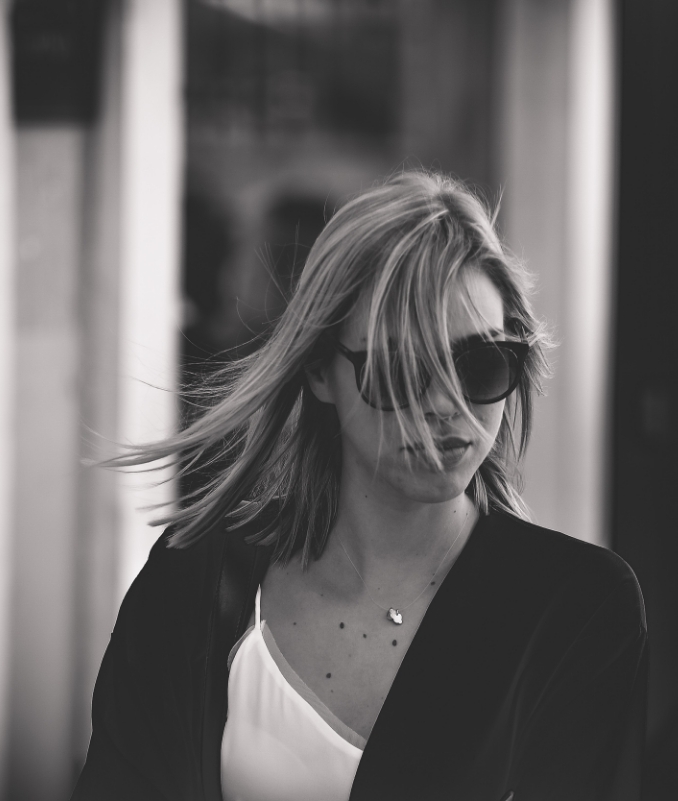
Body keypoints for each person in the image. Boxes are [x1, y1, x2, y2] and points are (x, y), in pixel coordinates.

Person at [70, 170, 648, 801]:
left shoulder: (577, 608)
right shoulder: (196, 579)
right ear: (320, 371)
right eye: (402, 369)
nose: (446, 405)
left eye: (482, 364)